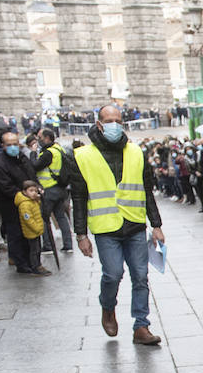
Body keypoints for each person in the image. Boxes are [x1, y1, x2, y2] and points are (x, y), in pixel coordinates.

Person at [59, 104, 164, 346]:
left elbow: (147, 190)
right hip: (106, 228)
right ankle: (108, 307)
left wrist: (156, 224)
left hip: (135, 223)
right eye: (109, 120)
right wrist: (80, 234)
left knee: (140, 276)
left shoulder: (136, 152)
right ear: (99, 124)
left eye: (118, 120)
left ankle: (141, 326)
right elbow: (78, 197)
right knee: (113, 274)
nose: (114, 125)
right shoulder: (83, 156)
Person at [0, 129, 38, 272]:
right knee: (16, 234)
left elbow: (32, 175)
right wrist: (26, 196)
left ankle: (30, 260)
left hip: (29, 203)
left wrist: (36, 189)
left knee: (28, 233)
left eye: (15, 143)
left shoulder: (22, 158)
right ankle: (21, 263)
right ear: (3, 146)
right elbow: (6, 187)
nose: (13, 147)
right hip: (12, 205)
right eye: (9, 144)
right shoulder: (0, 164)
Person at [34, 127, 73, 255]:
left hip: (49, 189)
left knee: (44, 218)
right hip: (61, 188)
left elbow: (36, 166)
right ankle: (68, 245)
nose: (38, 139)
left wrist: (33, 154)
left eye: (39, 137)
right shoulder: (59, 149)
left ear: (46, 138)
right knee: (61, 217)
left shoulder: (48, 153)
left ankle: (48, 245)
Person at [14, 180, 48, 275]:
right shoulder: (25, 204)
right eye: (31, 190)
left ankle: (38, 264)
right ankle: (35, 266)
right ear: (25, 192)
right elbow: (28, 219)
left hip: (36, 230)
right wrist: (37, 228)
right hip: (32, 231)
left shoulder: (33, 201)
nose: (34, 193)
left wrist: (39, 198)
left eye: (35, 191)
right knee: (34, 250)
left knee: (37, 249)